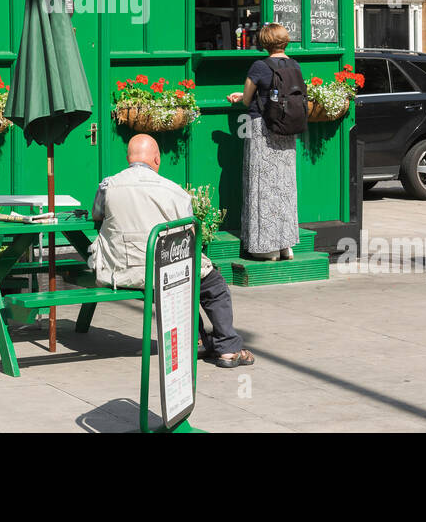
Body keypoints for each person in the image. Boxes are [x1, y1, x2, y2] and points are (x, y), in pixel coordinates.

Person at [89, 133, 255, 367]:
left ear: (128, 158)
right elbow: (190, 235)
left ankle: (197, 340)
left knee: (182, 283)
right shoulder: (175, 192)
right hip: (163, 273)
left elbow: (97, 215)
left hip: (119, 272)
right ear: (157, 159)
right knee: (214, 287)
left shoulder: (108, 186)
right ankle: (227, 349)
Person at [227, 22, 302, 261]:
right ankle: (286, 245)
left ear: (264, 42)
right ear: (285, 41)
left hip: (261, 128)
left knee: (261, 185)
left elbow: (247, 97)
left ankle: (266, 248)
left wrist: (238, 97)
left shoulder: (259, 66)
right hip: (287, 131)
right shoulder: (295, 65)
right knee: (285, 187)